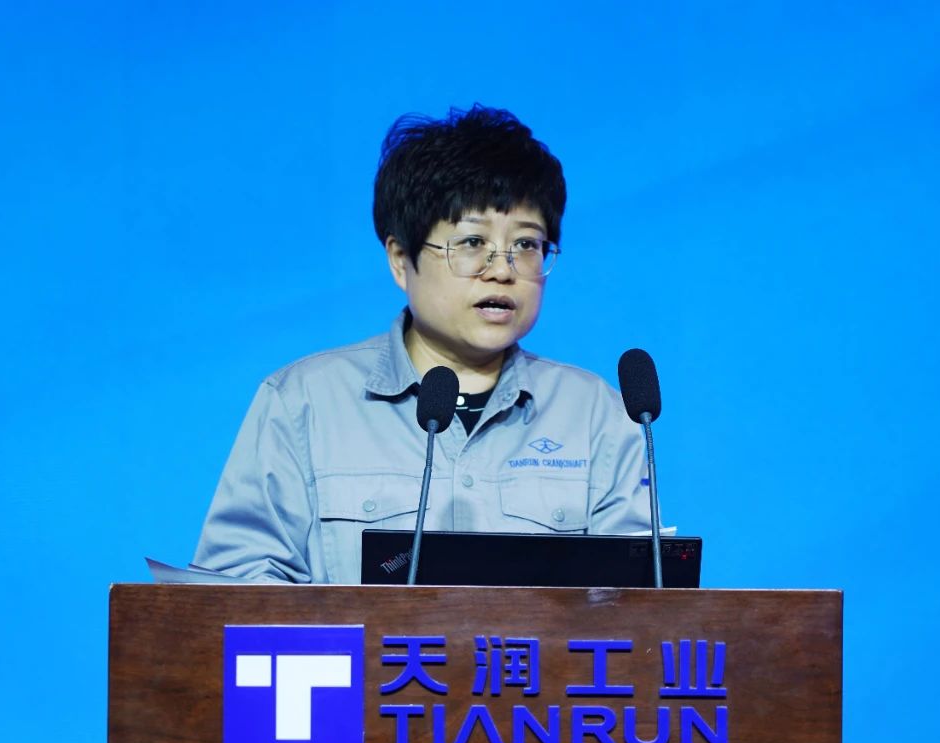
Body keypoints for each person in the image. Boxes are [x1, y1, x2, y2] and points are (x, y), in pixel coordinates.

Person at [193, 105, 652, 583]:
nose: (502, 269)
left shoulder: (595, 416)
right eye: (472, 243)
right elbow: (236, 595)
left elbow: (639, 607)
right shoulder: (303, 404)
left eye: (526, 245)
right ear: (400, 259)